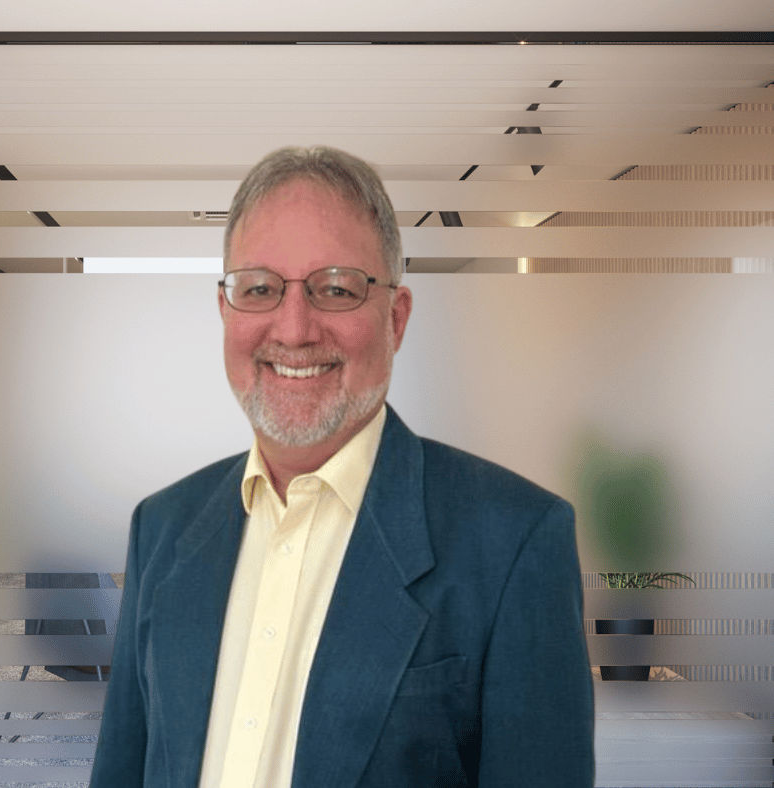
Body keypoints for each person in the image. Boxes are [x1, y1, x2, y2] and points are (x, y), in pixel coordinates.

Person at [90, 146, 595, 787]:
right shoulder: (161, 527)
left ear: (396, 317)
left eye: (335, 289)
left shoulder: (516, 542)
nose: (294, 329)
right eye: (260, 289)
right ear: (226, 311)